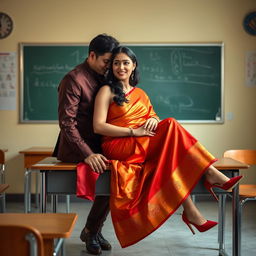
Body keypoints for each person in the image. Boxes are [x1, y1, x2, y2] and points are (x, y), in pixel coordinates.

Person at [92, 46, 242, 248]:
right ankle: (209, 174)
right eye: (116, 62)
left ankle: (192, 210)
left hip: (141, 142)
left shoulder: (141, 93)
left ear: (134, 66)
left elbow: (152, 116)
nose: (121, 67)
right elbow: (98, 126)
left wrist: (153, 119)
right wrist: (133, 132)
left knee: (168, 141)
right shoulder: (106, 90)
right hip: (118, 144)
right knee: (171, 126)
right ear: (111, 67)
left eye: (126, 62)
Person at [53, 34, 119, 255]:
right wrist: (88, 154)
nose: (110, 66)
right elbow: (66, 123)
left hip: (100, 145)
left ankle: (93, 229)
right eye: (107, 61)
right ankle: (92, 231)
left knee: (120, 176)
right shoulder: (73, 79)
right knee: (110, 178)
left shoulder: (105, 77)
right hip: (76, 149)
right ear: (92, 55)